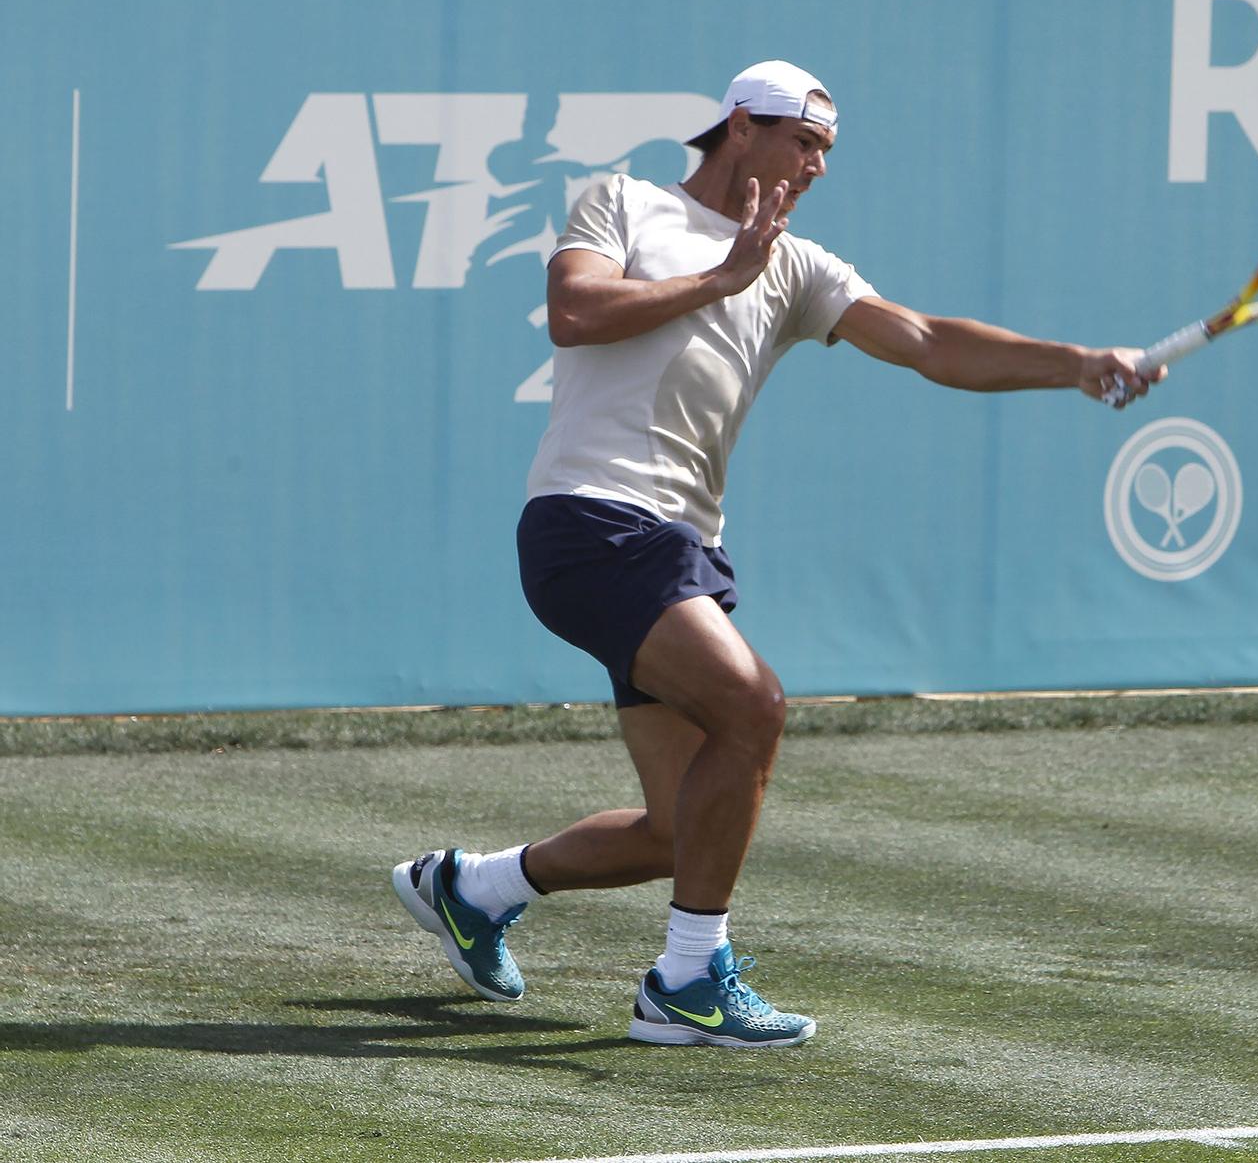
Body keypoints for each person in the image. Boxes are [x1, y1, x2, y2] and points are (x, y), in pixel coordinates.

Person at [392, 60, 1160, 1049]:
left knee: (681, 830)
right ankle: (684, 981)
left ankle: (472, 885)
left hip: (676, 544)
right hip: (590, 521)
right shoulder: (621, 203)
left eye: (826, 153)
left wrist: (1077, 366)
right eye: (804, 141)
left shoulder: (796, 266)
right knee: (752, 706)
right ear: (741, 127)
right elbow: (574, 314)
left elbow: (926, 339)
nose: (816, 166)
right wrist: (721, 276)